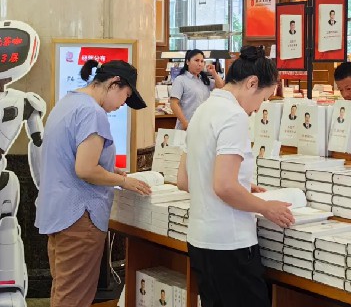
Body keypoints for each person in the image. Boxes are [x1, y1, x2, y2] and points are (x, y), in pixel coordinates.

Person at [177, 45, 294, 306]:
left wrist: (242, 184)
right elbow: (224, 186)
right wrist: (266, 208)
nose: (259, 108)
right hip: (230, 243)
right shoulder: (234, 116)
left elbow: (184, 179)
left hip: (200, 240)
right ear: (252, 83)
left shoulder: (202, 110)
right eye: (263, 98)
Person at [35, 59, 152, 307]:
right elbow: (85, 169)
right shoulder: (93, 112)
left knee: (64, 290)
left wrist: (109, 170)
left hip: (58, 212)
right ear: (114, 83)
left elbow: (70, 157)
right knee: (74, 297)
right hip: (79, 217)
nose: (122, 104)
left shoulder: (68, 102)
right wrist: (124, 181)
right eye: (125, 96)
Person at [170, 49, 224, 130]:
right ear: (187, 62)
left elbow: (221, 86)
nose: (200, 64)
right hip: (186, 127)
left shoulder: (204, 79)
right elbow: (173, 103)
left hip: (203, 126)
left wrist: (214, 73)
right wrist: (185, 123)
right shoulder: (180, 80)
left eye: (202, 61)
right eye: (196, 60)